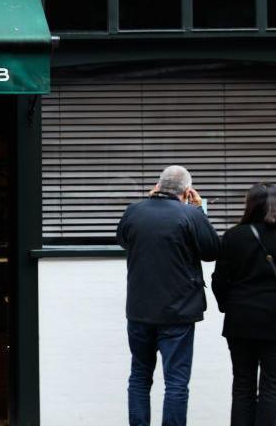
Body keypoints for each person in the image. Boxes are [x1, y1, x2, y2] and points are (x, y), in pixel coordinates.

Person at [116, 165, 220, 426]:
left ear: (157, 186)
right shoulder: (189, 214)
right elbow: (212, 251)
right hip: (178, 311)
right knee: (176, 382)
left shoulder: (134, 212)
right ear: (187, 191)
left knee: (139, 376)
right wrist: (198, 211)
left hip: (139, 310)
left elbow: (123, 240)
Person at [212, 183, 276, 426]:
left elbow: (219, 281)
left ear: (250, 205)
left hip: (241, 322)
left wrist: (229, 307)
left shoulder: (233, 236)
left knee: (242, 385)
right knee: (272, 388)